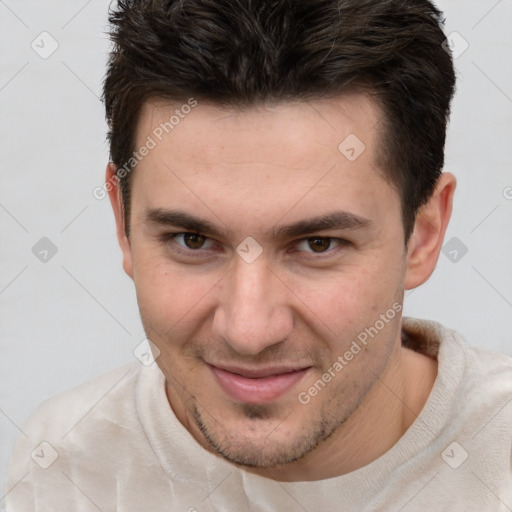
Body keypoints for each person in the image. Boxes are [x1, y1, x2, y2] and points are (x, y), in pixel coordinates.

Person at [5, 0, 512, 510]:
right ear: (123, 224)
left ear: (423, 234)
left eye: (318, 244)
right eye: (193, 240)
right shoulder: (65, 469)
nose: (248, 331)